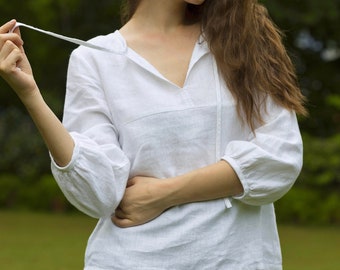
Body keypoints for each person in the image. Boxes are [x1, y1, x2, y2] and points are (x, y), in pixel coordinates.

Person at [0, 0, 307, 269]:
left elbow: (280, 157)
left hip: (239, 260)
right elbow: (100, 192)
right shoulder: (93, 59)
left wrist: (165, 194)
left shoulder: (244, 43)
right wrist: (30, 94)